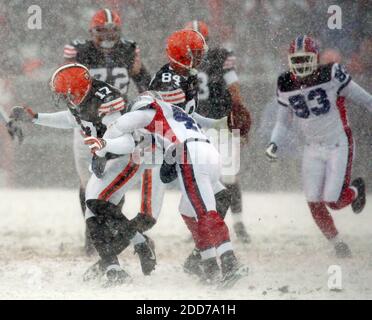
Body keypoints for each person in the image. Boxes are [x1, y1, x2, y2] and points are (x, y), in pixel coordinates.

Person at [10, 64, 156, 286]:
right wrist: (35, 118)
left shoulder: (105, 101)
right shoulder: (82, 98)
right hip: (110, 156)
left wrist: (103, 146)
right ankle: (114, 268)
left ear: (74, 91)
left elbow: (126, 142)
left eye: (64, 93)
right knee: (93, 211)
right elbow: (72, 119)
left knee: (96, 203)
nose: (62, 98)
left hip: (131, 155)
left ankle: (139, 242)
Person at [87, 90, 249, 288]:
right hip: (209, 153)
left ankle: (229, 260)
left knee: (205, 212)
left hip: (190, 154)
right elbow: (167, 158)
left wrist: (102, 146)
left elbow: (120, 125)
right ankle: (209, 266)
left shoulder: (148, 111)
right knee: (188, 211)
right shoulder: (177, 115)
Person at [265, 35, 371, 257]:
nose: (302, 65)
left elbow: (364, 99)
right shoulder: (285, 83)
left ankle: (356, 190)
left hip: (338, 142)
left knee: (332, 200)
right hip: (312, 148)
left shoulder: (331, 74)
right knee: (313, 201)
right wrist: (274, 143)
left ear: (316, 58)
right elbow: (282, 121)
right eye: (297, 60)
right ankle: (338, 244)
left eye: (306, 59)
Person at [63, 8, 151, 254]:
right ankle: (92, 234)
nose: (107, 35)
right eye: (102, 31)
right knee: (86, 183)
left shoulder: (129, 49)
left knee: (113, 182)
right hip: (87, 126)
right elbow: (66, 83)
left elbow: (143, 81)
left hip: (117, 125)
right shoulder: (79, 51)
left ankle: (112, 229)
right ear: (92, 32)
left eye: (112, 30)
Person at [184, 20, 252, 244]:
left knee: (228, 176)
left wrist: (238, 115)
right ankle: (204, 222)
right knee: (203, 178)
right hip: (198, 126)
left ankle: (238, 222)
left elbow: (233, 87)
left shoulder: (220, 56)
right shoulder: (183, 61)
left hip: (220, 122)